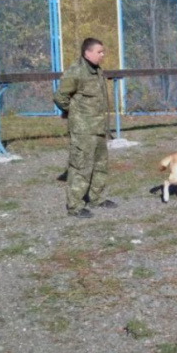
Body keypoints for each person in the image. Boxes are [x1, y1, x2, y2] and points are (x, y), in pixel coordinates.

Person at [53, 38, 117, 218]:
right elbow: (60, 97)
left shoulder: (96, 70)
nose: (102, 55)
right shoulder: (76, 72)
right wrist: (73, 112)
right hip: (83, 129)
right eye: (99, 52)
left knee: (100, 165)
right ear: (87, 53)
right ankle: (75, 206)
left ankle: (96, 198)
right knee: (80, 167)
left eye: (102, 52)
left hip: (98, 127)